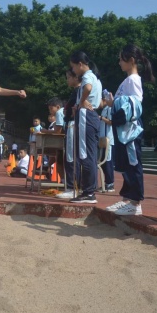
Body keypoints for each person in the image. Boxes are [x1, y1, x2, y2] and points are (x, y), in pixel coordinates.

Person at [104, 44, 154, 216]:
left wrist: (115, 103)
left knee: (133, 164)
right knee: (126, 164)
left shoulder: (133, 80)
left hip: (130, 131)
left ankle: (136, 202)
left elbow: (135, 105)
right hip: (124, 131)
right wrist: (113, 103)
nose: (119, 62)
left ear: (131, 60)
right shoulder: (128, 80)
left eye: (121, 59)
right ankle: (127, 199)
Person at [67, 51, 102, 204]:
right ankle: (89, 190)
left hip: (85, 117)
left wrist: (81, 102)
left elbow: (87, 88)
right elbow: (98, 101)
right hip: (92, 116)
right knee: (90, 153)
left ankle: (88, 192)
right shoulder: (96, 78)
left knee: (84, 153)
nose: (73, 70)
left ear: (80, 64)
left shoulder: (88, 76)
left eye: (73, 67)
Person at [56, 69, 81, 199]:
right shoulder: (75, 91)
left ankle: (73, 187)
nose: (67, 80)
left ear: (76, 77)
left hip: (73, 125)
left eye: (69, 77)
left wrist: (69, 113)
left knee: (71, 157)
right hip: (70, 124)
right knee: (69, 157)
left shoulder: (79, 91)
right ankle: (72, 186)